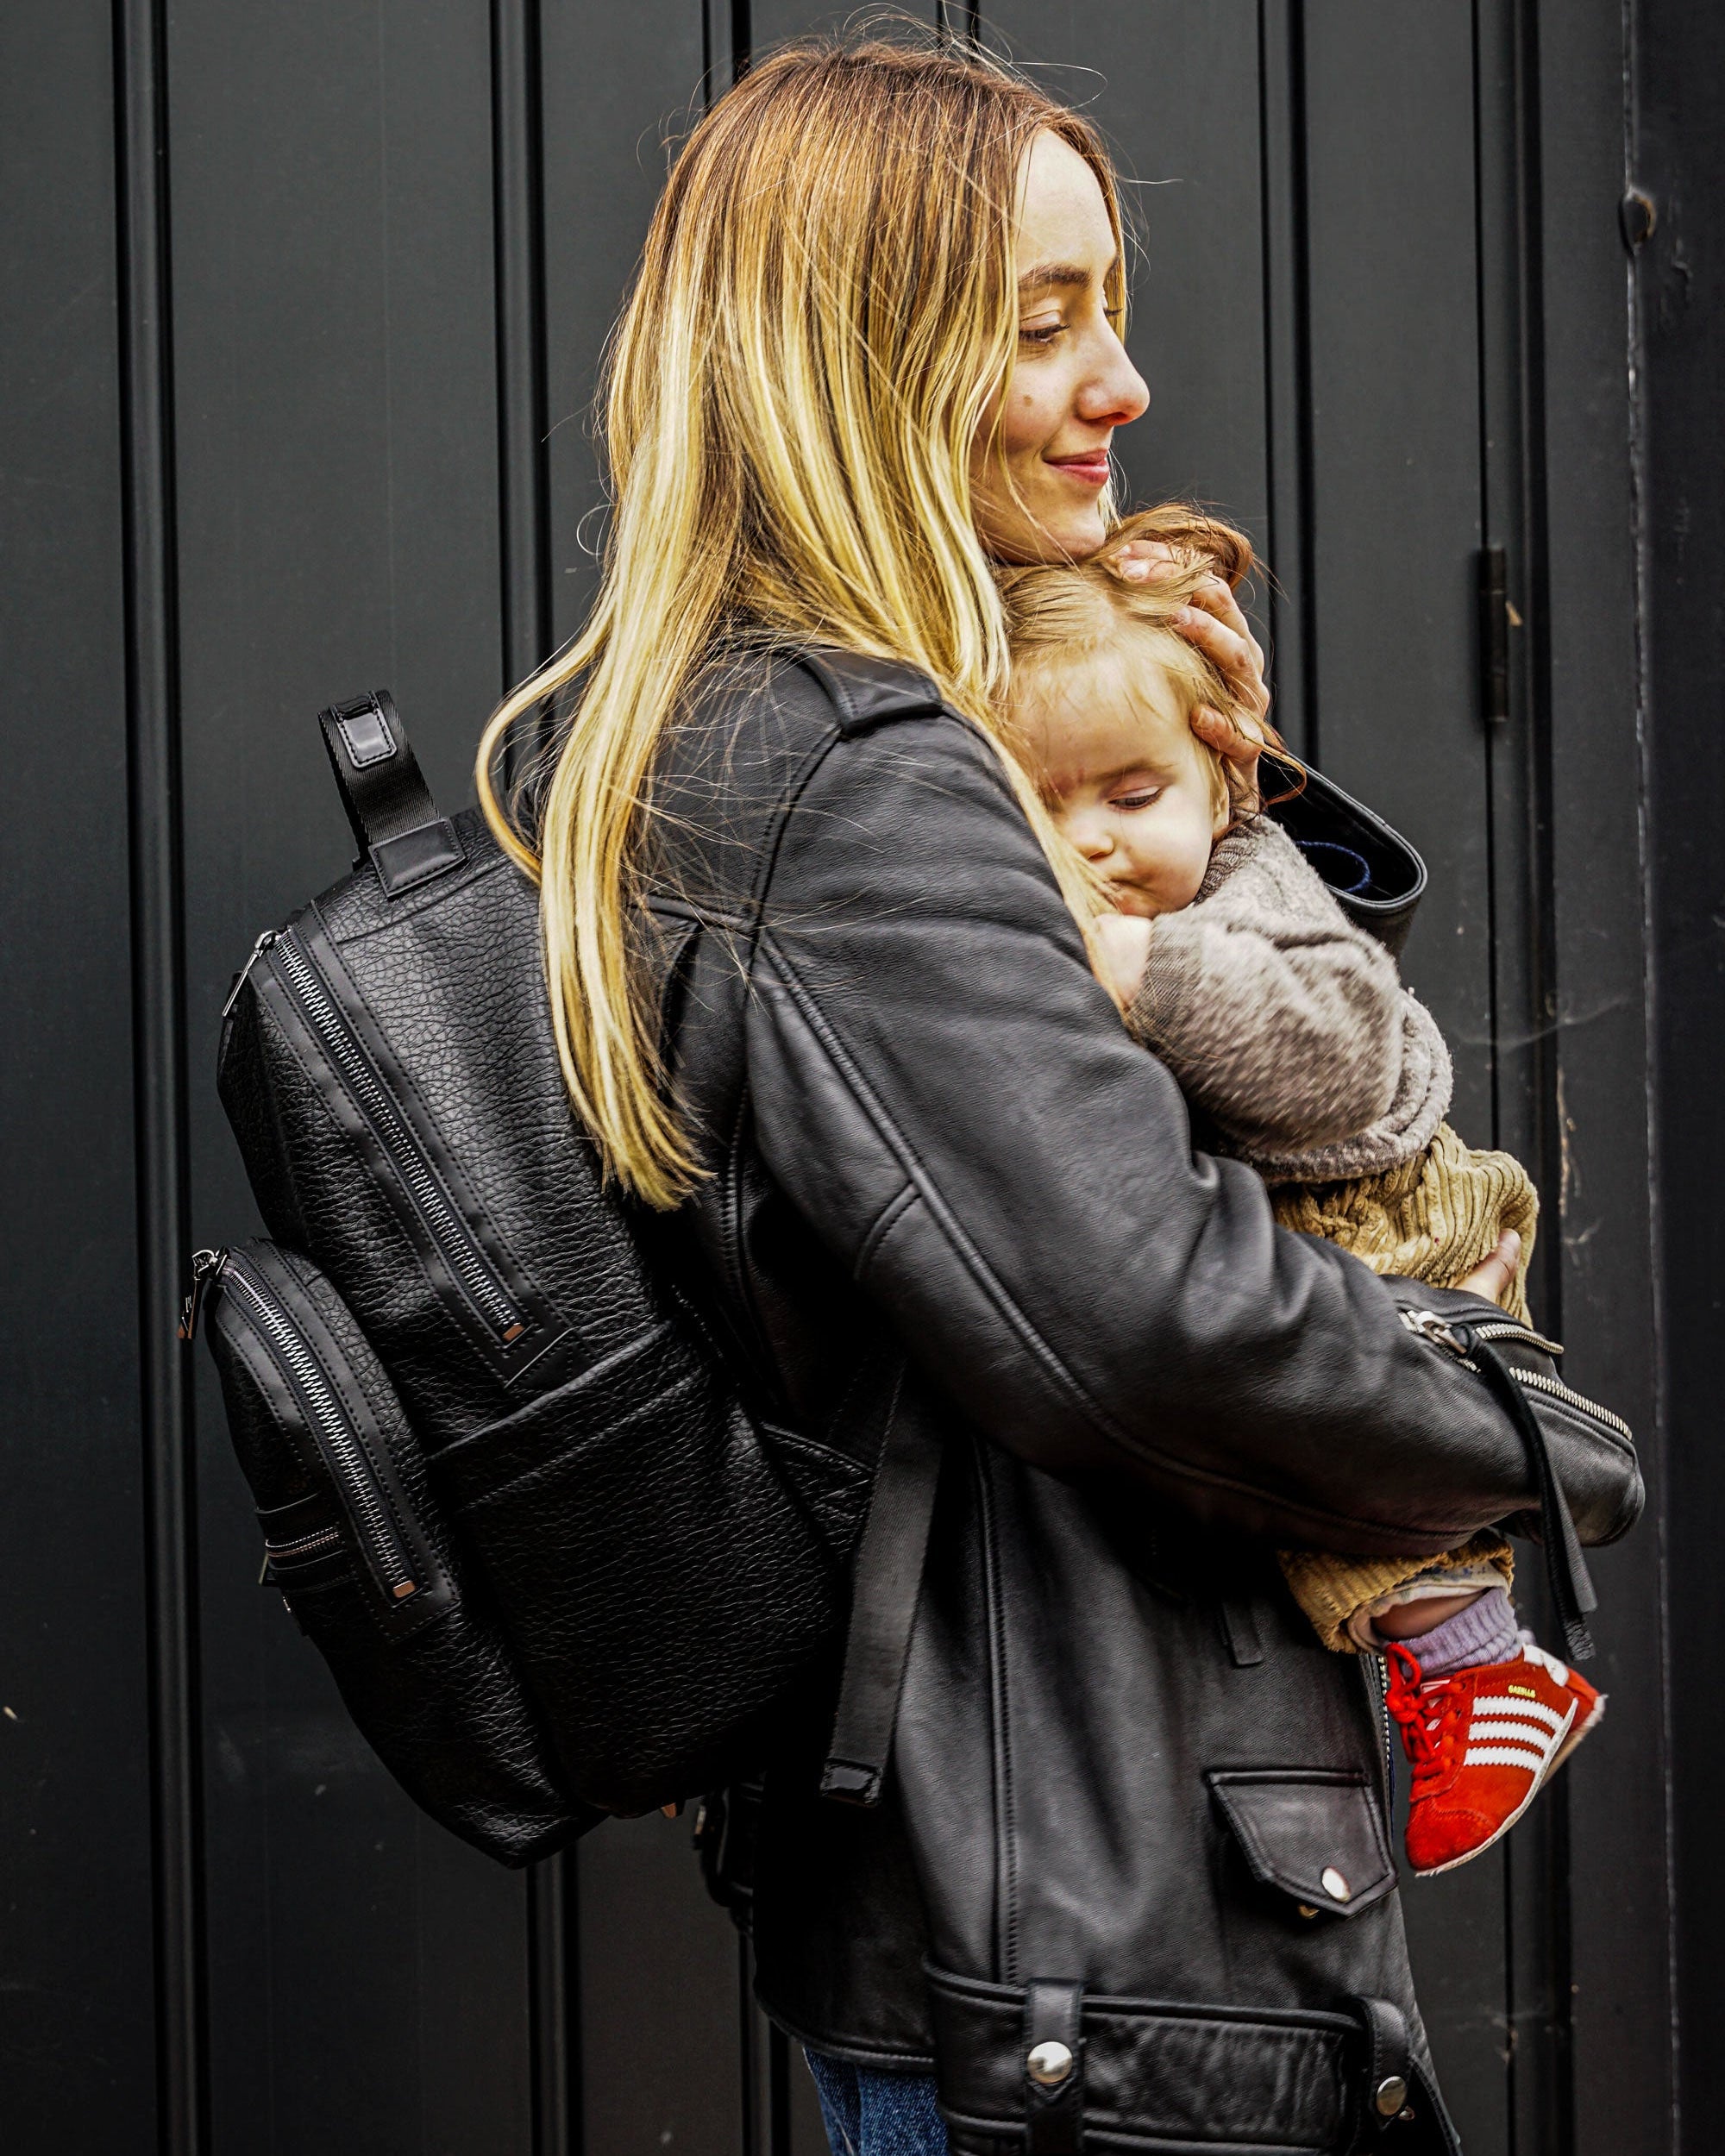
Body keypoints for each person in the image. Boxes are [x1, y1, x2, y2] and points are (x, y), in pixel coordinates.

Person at [477, 36, 1639, 2156]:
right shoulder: (859, 781)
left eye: (1114, 308)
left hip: (1026, 1906)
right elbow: (1145, 1316)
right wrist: (1527, 1436)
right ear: (856, 360)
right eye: (1041, 324)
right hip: (1083, 1938)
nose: (1118, 382)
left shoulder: (755, 740)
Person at [1001, 508, 1607, 1881]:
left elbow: (1337, 1043)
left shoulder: (1245, 879)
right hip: (1309, 1227)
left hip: (1382, 1213)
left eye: (1131, 795)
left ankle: (1477, 1667)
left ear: (1222, 778)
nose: (1091, 843)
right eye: (1039, 806)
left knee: (1325, 1449)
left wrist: (1143, 970)